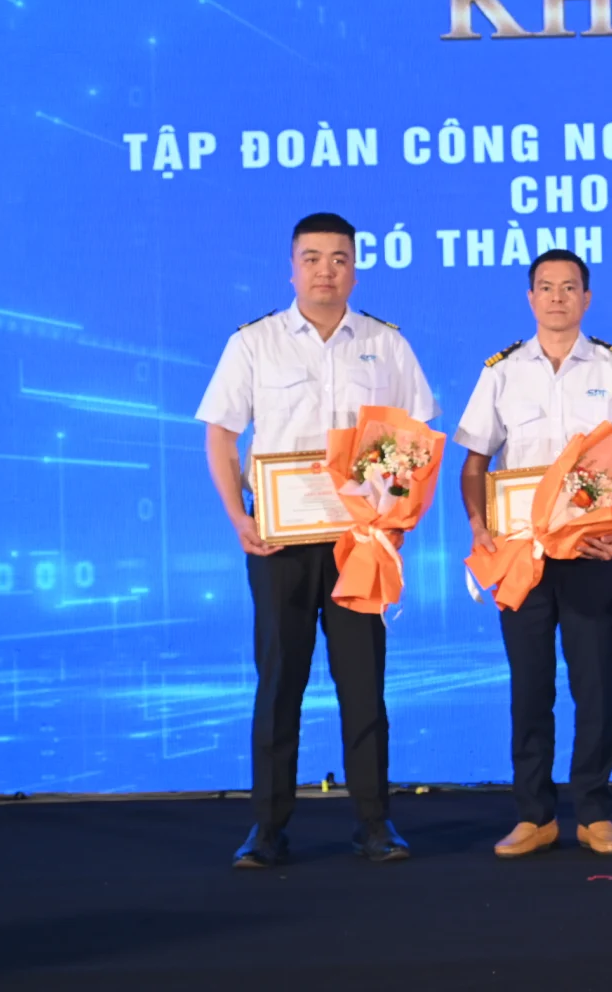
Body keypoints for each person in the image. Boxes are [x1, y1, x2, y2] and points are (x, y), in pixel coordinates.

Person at [196, 212, 437, 869]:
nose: (325, 271)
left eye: (338, 259)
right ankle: (267, 828)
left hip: (359, 541)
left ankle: (375, 823)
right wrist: (239, 518)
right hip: (279, 542)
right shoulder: (254, 343)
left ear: (354, 269)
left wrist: (396, 516)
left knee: (364, 684)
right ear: (291, 268)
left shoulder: (386, 343)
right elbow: (221, 435)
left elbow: (414, 438)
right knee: (279, 683)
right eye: (312, 258)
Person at [455, 249, 612, 859]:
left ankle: (595, 814)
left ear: (586, 298)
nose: (557, 298)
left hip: (594, 552)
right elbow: (475, 463)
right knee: (530, 688)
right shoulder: (502, 372)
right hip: (522, 555)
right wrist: (478, 525)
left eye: (569, 288)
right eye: (545, 287)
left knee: (595, 687)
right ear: (530, 298)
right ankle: (534, 816)